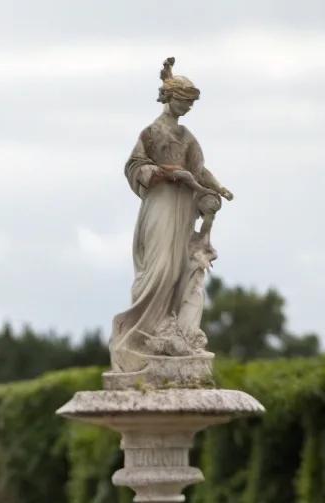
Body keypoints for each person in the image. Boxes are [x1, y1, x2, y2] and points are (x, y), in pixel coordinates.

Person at [110, 58, 234, 377]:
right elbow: (134, 167)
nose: (189, 108)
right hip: (162, 203)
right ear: (170, 97)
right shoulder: (151, 133)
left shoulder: (187, 137)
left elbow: (199, 169)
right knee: (159, 266)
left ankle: (171, 327)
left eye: (191, 104)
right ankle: (144, 329)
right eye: (185, 101)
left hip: (183, 208)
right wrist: (165, 172)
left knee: (179, 266)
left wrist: (218, 186)